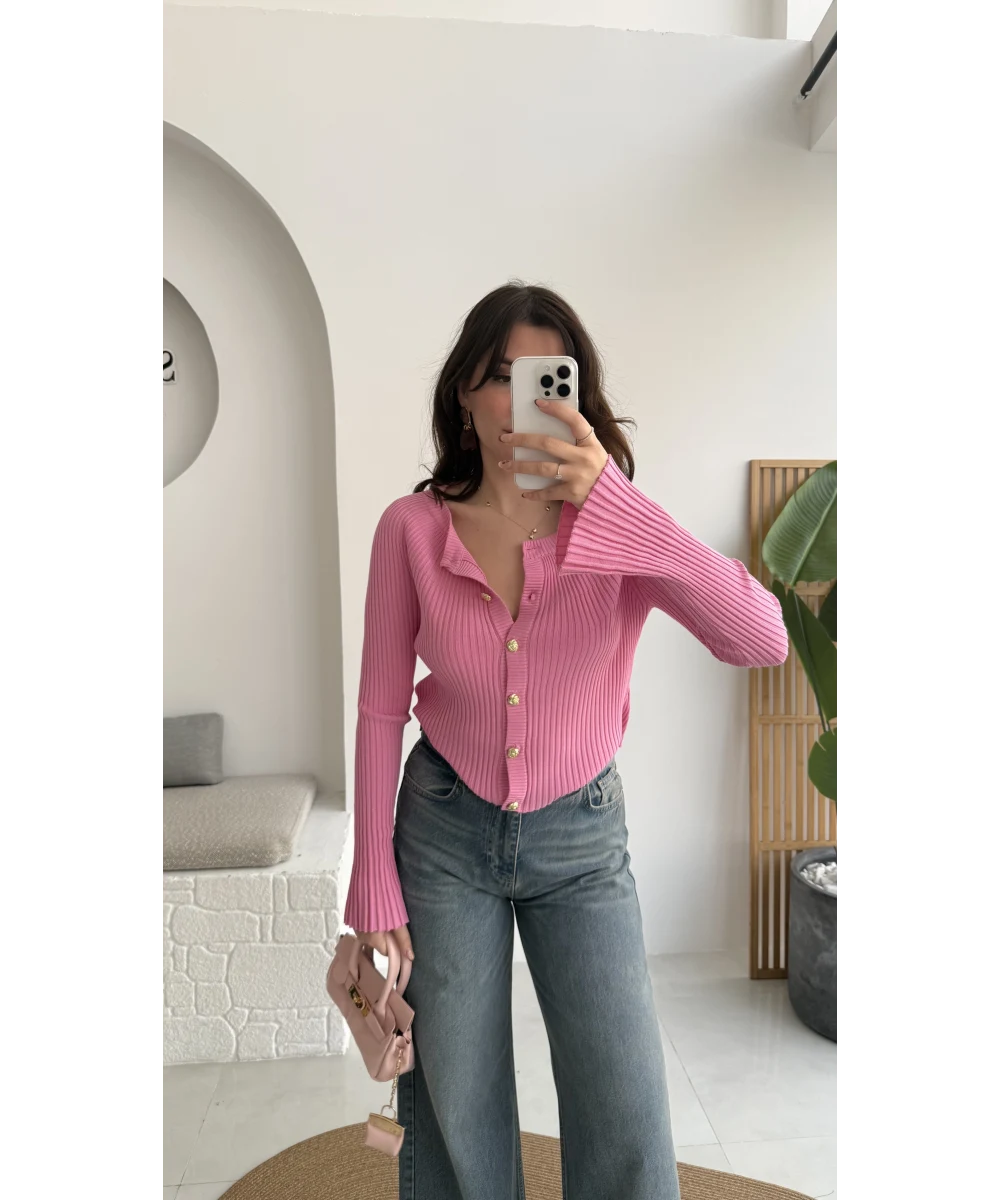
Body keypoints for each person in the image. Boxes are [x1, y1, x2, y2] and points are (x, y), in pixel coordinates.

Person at [342, 282, 789, 1200]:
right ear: (465, 395)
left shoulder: (620, 532)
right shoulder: (411, 531)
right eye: (500, 376)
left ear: (575, 392)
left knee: (625, 1106)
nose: (522, 398)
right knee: (458, 1099)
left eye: (546, 376)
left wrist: (619, 505)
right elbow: (381, 709)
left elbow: (762, 638)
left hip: (582, 840)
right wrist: (370, 881)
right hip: (443, 832)